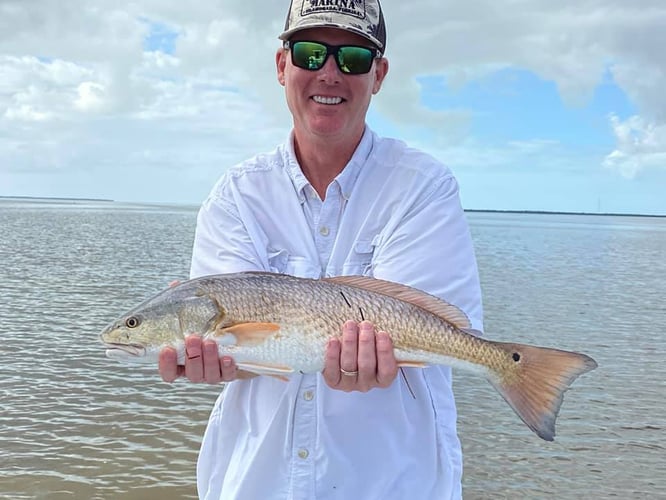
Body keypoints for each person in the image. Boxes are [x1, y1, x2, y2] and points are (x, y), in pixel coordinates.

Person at [159, 1, 483, 498]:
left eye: (352, 57)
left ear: (379, 74)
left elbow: (430, 324)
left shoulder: (424, 187)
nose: (329, 73)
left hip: (394, 483)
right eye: (310, 53)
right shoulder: (236, 195)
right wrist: (212, 358)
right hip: (255, 481)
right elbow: (243, 349)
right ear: (282, 64)